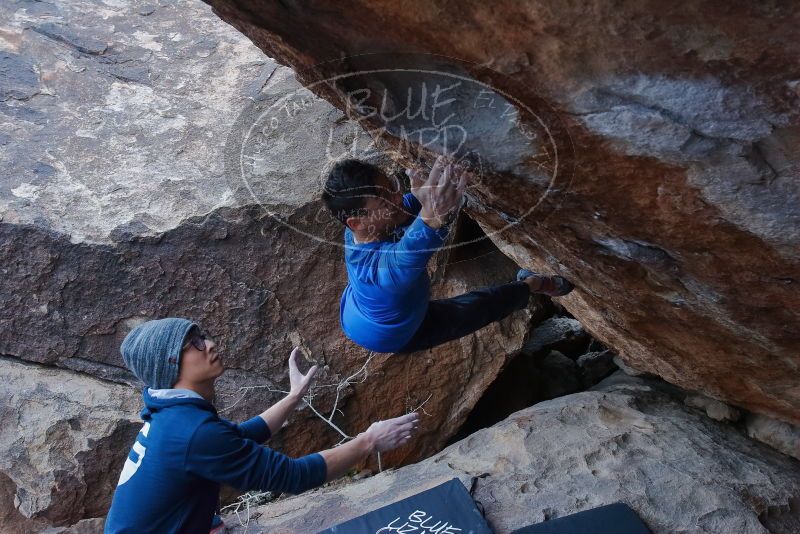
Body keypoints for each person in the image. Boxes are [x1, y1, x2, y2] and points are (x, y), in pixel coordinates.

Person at [105, 318, 418, 533]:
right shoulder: (192, 431)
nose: (210, 344)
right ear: (170, 363)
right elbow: (293, 476)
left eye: (203, 336)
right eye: (195, 344)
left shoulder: (172, 412)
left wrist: (293, 397)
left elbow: (237, 438)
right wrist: (369, 441)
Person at [322, 156, 575, 354]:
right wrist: (433, 214)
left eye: (392, 188)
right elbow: (408, 252)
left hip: (359, 310)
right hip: (394, 335)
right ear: (356, 223)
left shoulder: (360, 230)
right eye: (386, 200)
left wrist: (424, 201)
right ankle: (534, 284)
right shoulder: (385, 276)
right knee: (478, 308)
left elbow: (407, 212)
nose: (398, 197)